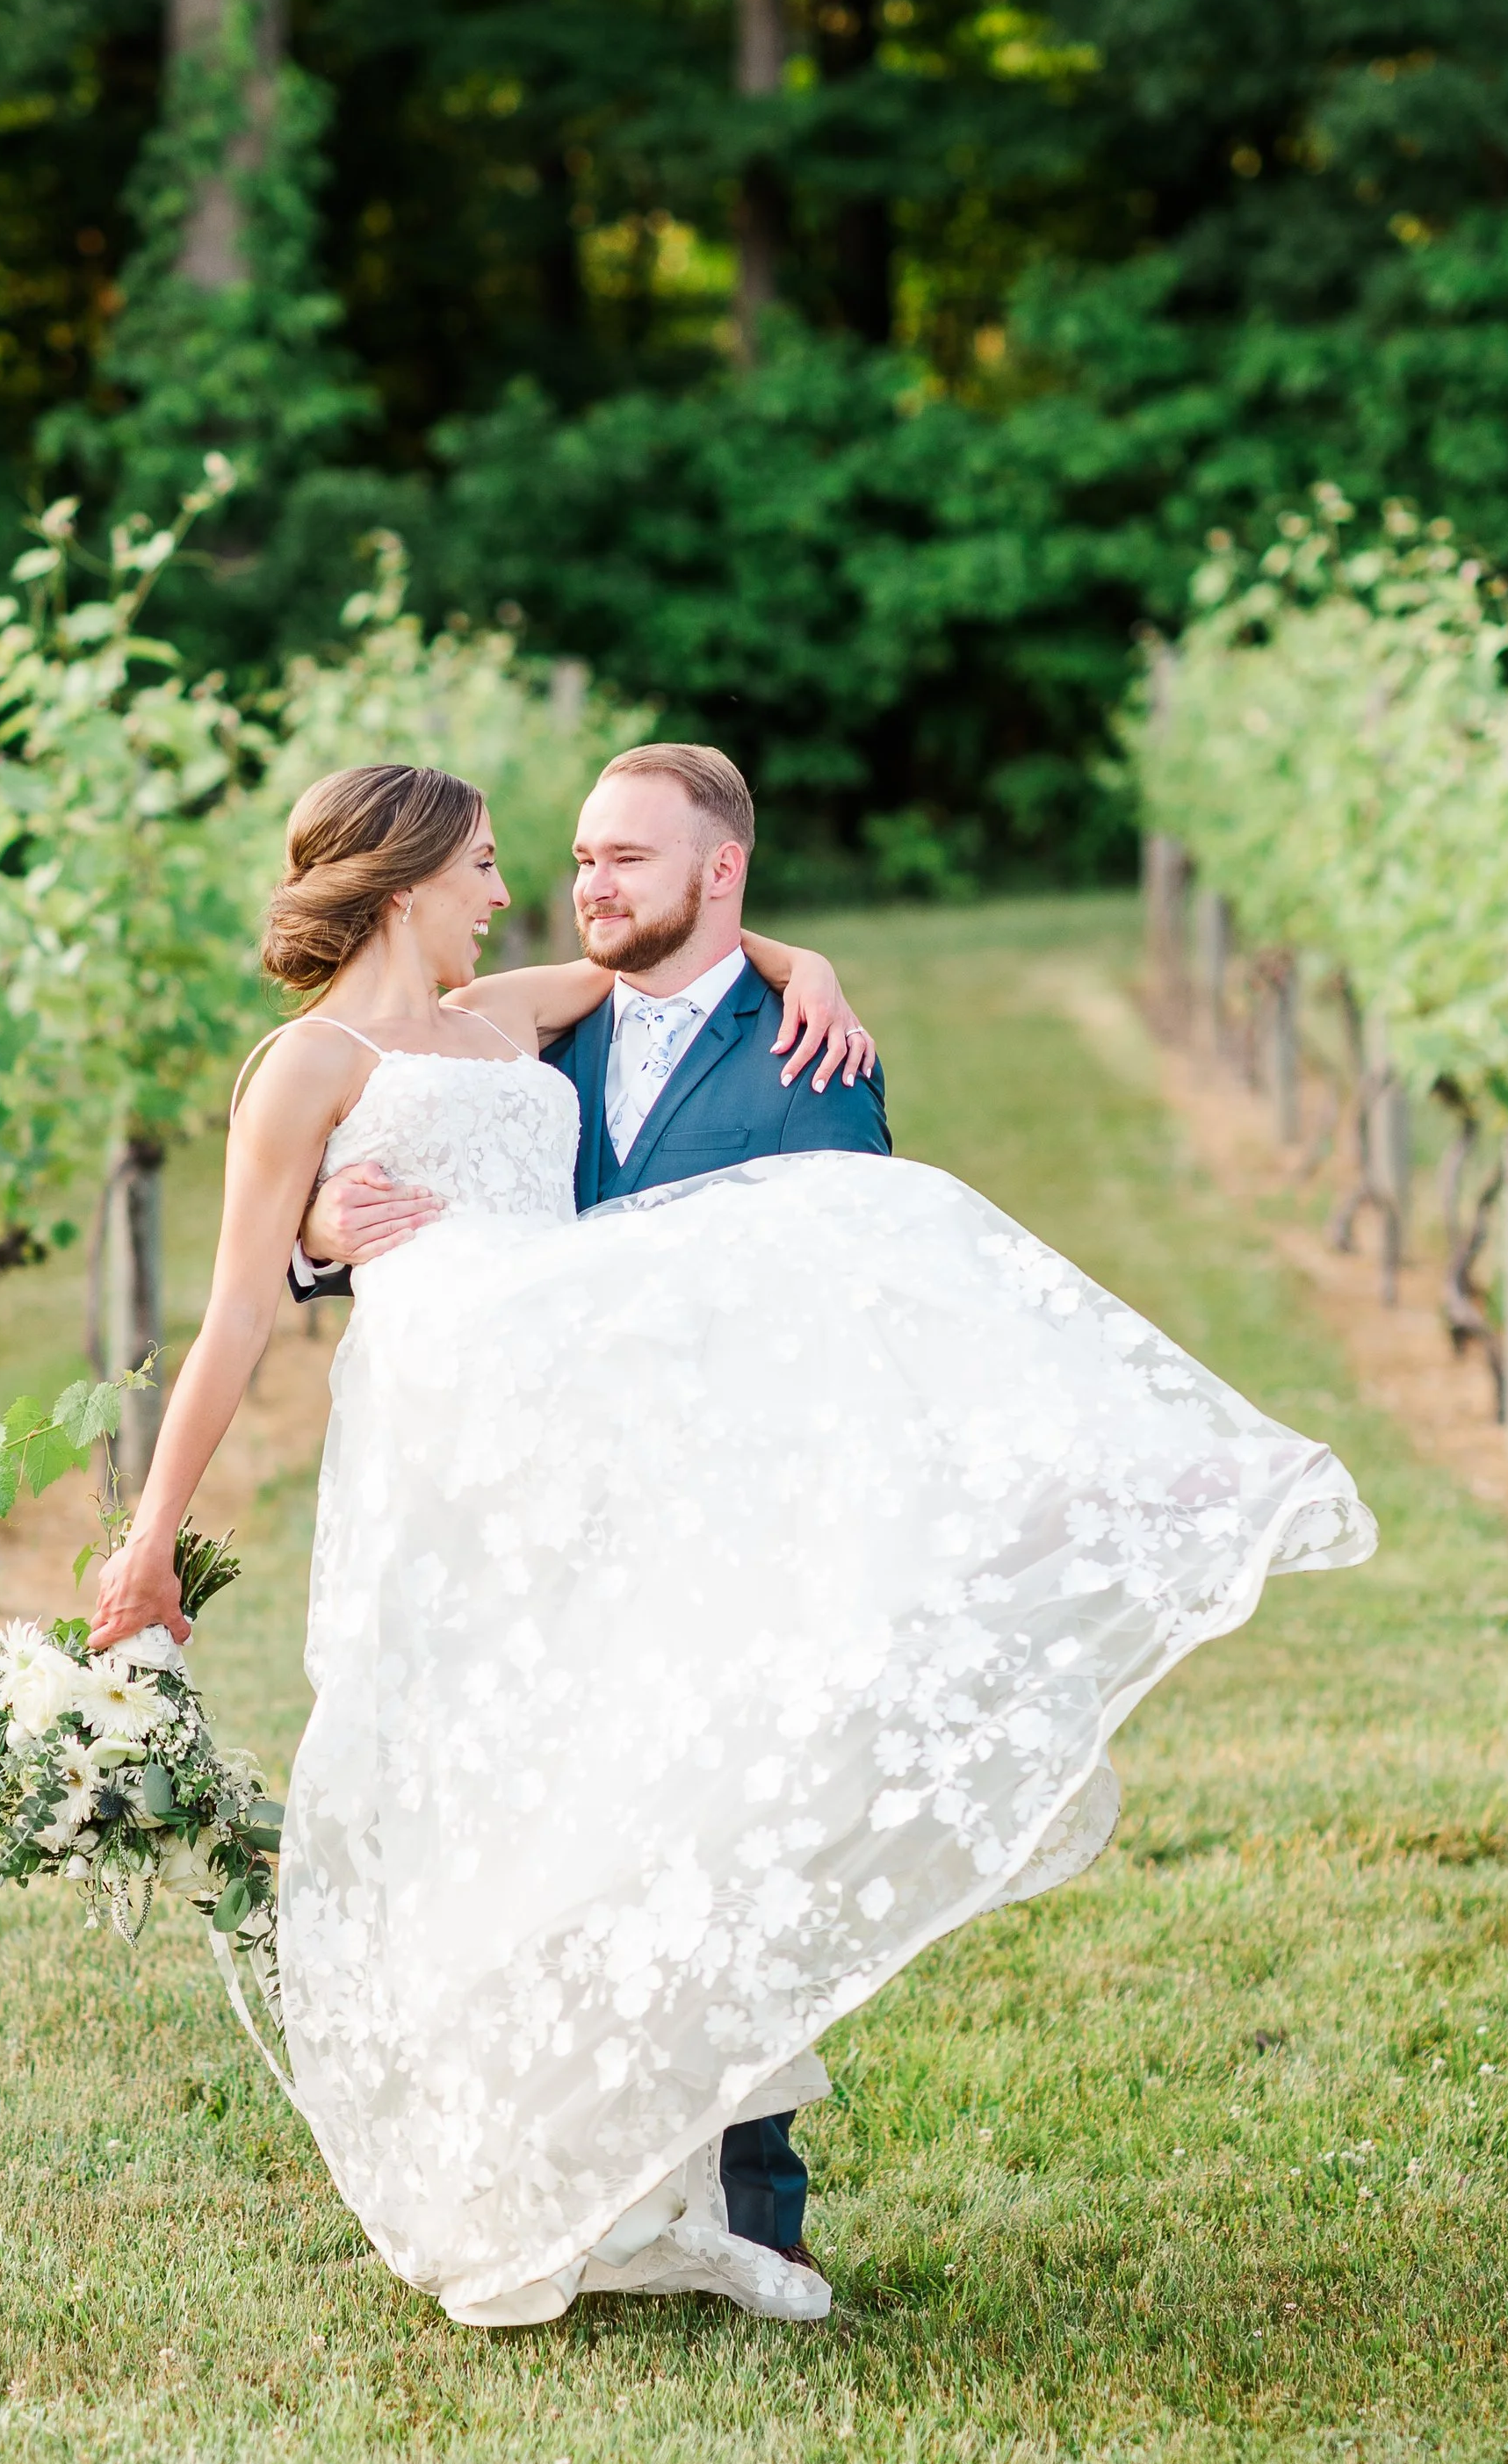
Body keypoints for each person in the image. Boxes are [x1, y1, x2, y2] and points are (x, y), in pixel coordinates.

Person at [89, 756, 1376, 2332]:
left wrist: (808, 960)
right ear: (409, 879)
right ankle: (537, 2169)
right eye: (490, 866)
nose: (514, 894)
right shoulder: (303, 1063)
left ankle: (658, 2178)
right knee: (481, 1786)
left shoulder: (509, 1017)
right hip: (453, 1438)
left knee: (629, 1759)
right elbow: (234, 1310)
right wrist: (163, 1517)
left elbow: (711, 945)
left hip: (587, 1420)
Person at [288, 742, 889, 2279]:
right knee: (548, 1851)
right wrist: (312, 1231)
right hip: (527, 1529)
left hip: (719, 1525)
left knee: (717, 1855)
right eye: (580, 857)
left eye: (630, 857)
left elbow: (852, 1296)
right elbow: (399, 1154)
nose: (590, 883)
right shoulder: (518, 1040)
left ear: (721, 872)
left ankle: (754, 2208)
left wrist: (797, 964)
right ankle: (553, 2178)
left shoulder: (809, 1055)